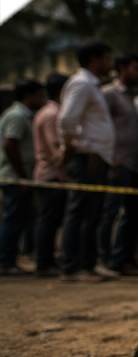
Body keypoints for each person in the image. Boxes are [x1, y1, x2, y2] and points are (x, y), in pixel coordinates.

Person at [58, 40, 117, 282]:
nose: (109, 64)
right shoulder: (82, 84)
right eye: (106, 58)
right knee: (81, 212)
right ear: (95, 59)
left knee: (93, 213)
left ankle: (88, 264)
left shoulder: (92, 86)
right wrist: (78, 148)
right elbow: (67, 119)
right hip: (87, 158)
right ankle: (73, 267)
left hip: (97, 156)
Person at [99, 52, 138, 275]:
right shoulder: (109, 94)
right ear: (122, 68)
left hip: (136, 163)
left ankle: (124, 258)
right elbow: (100, 125)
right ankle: (103, 258)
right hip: (118, 162)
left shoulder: (134, 97)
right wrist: (112, 157)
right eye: (136, 68)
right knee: (109, 213)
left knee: (133, 213)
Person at [0, 79, 45, 275]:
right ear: (29, 96)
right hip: (15, 177)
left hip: (19, 176)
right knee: (13, 218)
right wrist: (22, 177)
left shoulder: (25, 115)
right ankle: (5, 262)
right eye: (39, 95)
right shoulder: (17, 115)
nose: (42, 99)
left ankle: (9, 259)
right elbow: (10, 144)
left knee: (19, 218)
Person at [33, 74, 70, 277]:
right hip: (52, 175)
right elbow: (56, 152)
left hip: (50, 175)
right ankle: (44, 262)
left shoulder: (46, 112)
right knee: (49, 220)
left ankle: (45, 260)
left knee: (49, 219)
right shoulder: (52, 114)